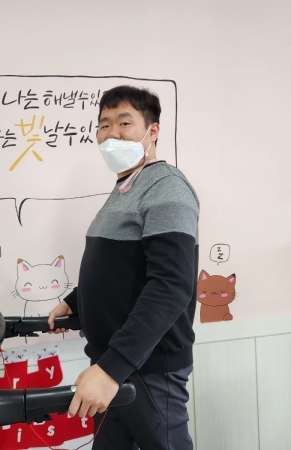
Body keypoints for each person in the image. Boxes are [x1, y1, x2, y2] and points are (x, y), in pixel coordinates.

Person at [48, 85, 199, 450]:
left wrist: (112, 368)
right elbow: (122, 265)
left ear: (153, 130)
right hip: (112, 361)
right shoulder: (127, 187)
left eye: (124, 122)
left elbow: (170, 286)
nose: (111, 133)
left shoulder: (166, 188)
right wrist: (76, 301)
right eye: (104, 125)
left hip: (145, 367)